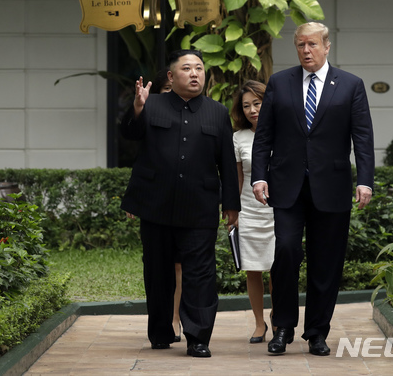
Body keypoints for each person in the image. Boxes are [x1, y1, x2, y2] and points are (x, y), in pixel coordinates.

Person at [251, 22, 374, 356]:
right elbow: (264, 136)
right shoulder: (280, 82)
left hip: (331, 186)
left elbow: (362, 137)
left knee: (326, 261)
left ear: (327, 46)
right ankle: (283, 328)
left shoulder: (350, 85)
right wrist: (258, 176)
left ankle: (317, 331)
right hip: (287, 186)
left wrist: (365, 180)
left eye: (313, 45)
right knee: (286, 252)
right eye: (301, 45)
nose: (306, 51)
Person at [120, 49, 240, 358]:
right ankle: (161, 332)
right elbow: (129, 135)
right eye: (187, 68)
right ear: (171, 77)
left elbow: (227, 161)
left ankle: (198, 337)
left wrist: (231, 205)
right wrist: (136, 108)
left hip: (199, 207)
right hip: (155, 205)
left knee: (200, 274)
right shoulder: (151, 103)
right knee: (158, 272)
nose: (195, 73)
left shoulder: (217, 112)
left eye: (199, 68)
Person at [126, 67, 182, 342]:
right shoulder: (149, 112)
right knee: (158, 266)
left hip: (187, 201)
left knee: (181, 265)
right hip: (155, 201)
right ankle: (162, 325)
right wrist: (139, 105)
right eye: (166, 92)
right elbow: (135, 141)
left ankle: (176, 317)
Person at [230, 80, 276, 344]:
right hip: (249, 210)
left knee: (278, 269)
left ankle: (278, 317)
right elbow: (237, 179)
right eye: (246, 105)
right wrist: (232, 212)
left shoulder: (284, 131)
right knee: (253, 270)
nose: (252, 110)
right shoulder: (238, 137)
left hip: (278, 211)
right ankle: (259, 324)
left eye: (257, 103)